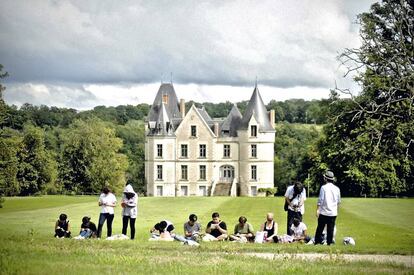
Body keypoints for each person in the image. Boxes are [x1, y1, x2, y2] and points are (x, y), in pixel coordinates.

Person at [314, 170, 341, 245]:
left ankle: (317, 242)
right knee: (330, 229)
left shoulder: (323, 188)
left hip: (324, 211)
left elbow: (320, 200)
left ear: (325, 179)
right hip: (333, 212)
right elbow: (338, 202)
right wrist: (336, 211)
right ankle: (329, 243)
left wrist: (317, 210)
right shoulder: (337, 189)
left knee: (320, 228)